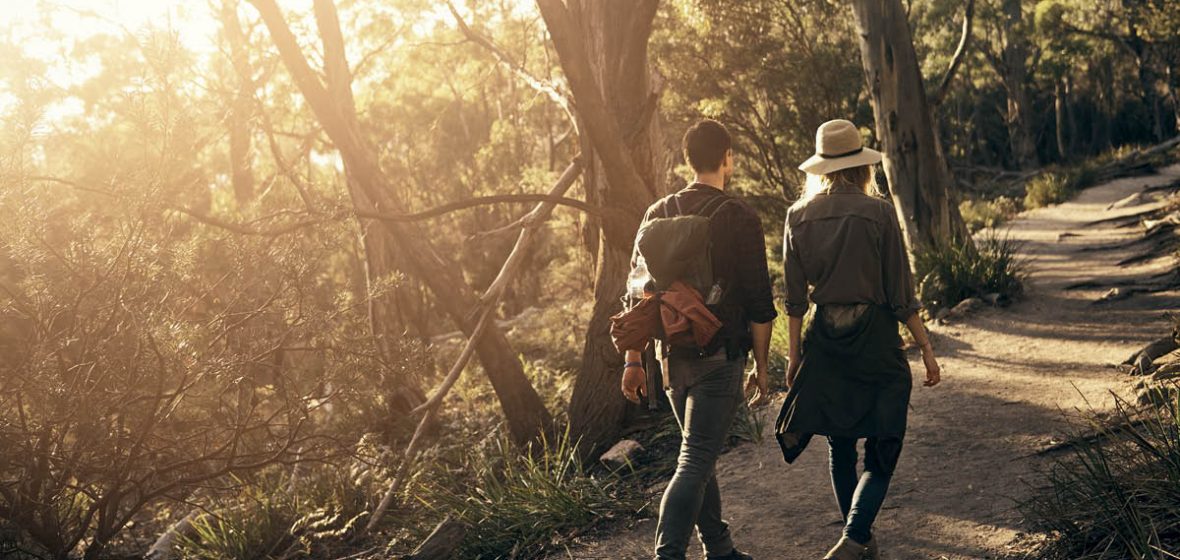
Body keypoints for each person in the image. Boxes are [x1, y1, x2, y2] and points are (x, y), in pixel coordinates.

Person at [775, 119, 942, 560]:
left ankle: (860, 539)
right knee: (885, 442)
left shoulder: (797, 216)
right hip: (875, 340)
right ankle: (855, 535)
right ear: (861, 165)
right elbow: (901, 293)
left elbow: (793, 301)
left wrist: (793, 358)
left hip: (824, 340)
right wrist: (925, 348)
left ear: (821, 168)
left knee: (840, 442)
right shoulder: (880, 212)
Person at [621, 119, 776, 560]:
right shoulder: (740, 216)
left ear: (687, 160)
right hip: (719, 356)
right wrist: (761, 368)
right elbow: (761, 303)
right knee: (694, 460)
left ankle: (720, 548)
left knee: (698, 453)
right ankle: (667, 555)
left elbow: (636, 294)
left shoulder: (657, 212)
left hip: (670, 359)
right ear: (727, 157)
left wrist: (635, 360)